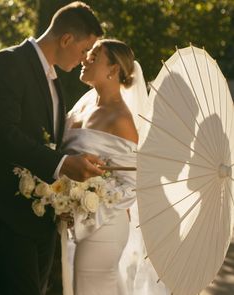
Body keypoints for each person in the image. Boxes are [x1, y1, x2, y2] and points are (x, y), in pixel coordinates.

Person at [0, 2, 104, 295]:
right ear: (66, 39)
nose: (85, 58)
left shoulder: (55, 83)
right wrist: (62, 164)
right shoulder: (9, 63)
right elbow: (3, 132)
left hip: (42, 225)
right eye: (84, 50)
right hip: (8, 220)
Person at [62, 39, 171, 295]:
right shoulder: (86, 103)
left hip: (104, 225)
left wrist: (85, 203)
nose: (85, 58)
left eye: (95, 55)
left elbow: (132, 184)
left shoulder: (120, 118)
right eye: (88, 53)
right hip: (78, 222)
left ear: (112, 69)